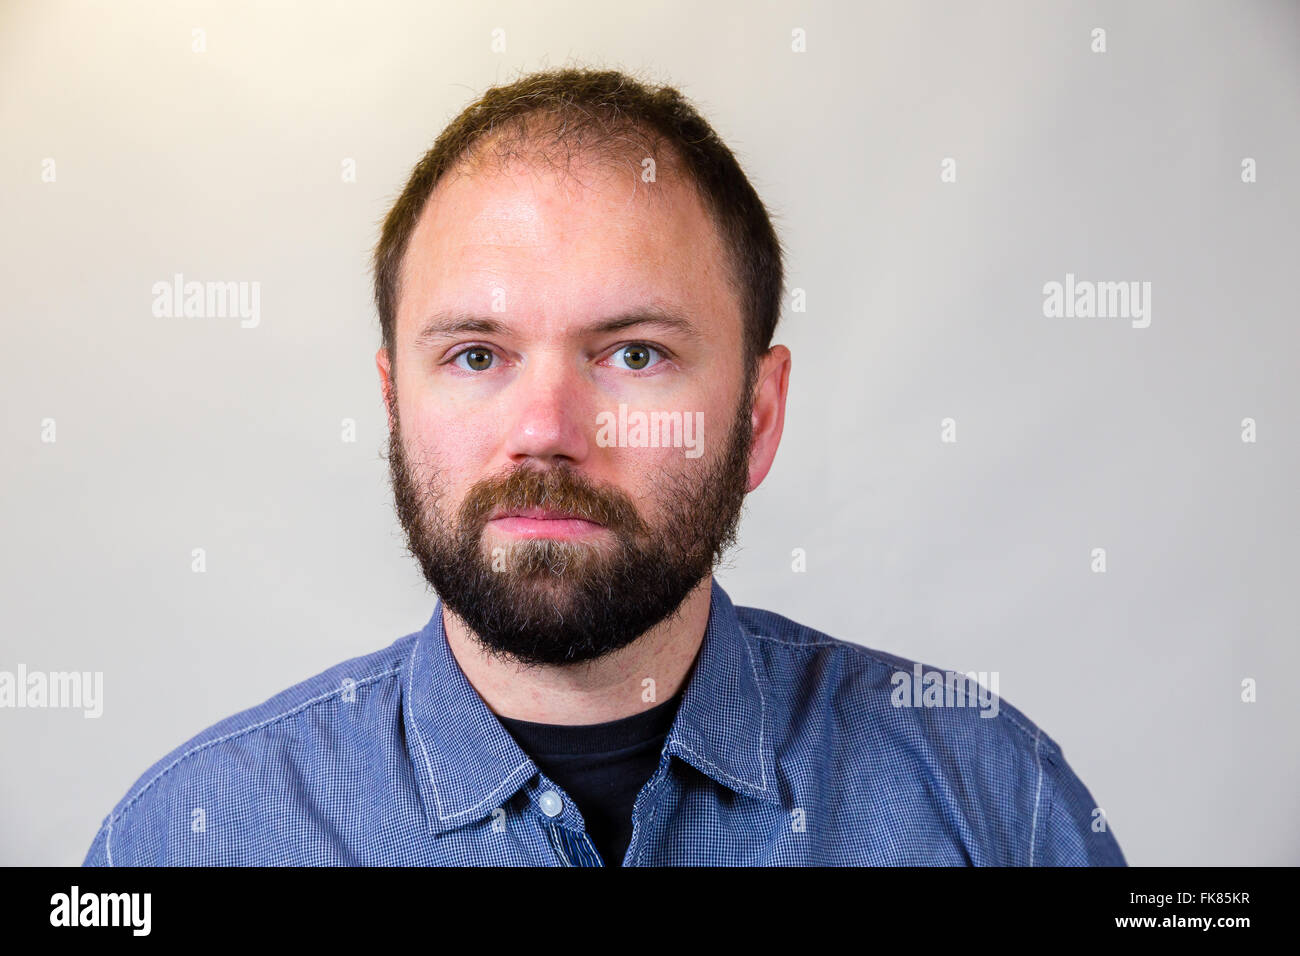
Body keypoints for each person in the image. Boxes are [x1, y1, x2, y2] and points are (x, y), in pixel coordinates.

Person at [83, 67, 1124, 866]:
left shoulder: (992, 803)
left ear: (757, 417)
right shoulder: (188, 838)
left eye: (633, 354)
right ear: (394, 403)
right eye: (477, 355)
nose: (545, 429)